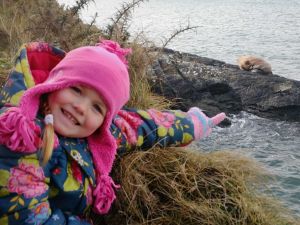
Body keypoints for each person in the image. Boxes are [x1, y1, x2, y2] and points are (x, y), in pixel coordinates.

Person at [0, 40, 225, 224]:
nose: (81, 107)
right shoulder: (18, 136)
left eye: (97, 107)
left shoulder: (97, 133)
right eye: (76, 89)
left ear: (104, 120)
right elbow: (26, 219)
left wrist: (193, 124)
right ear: (54, 83)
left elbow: (142, 125)